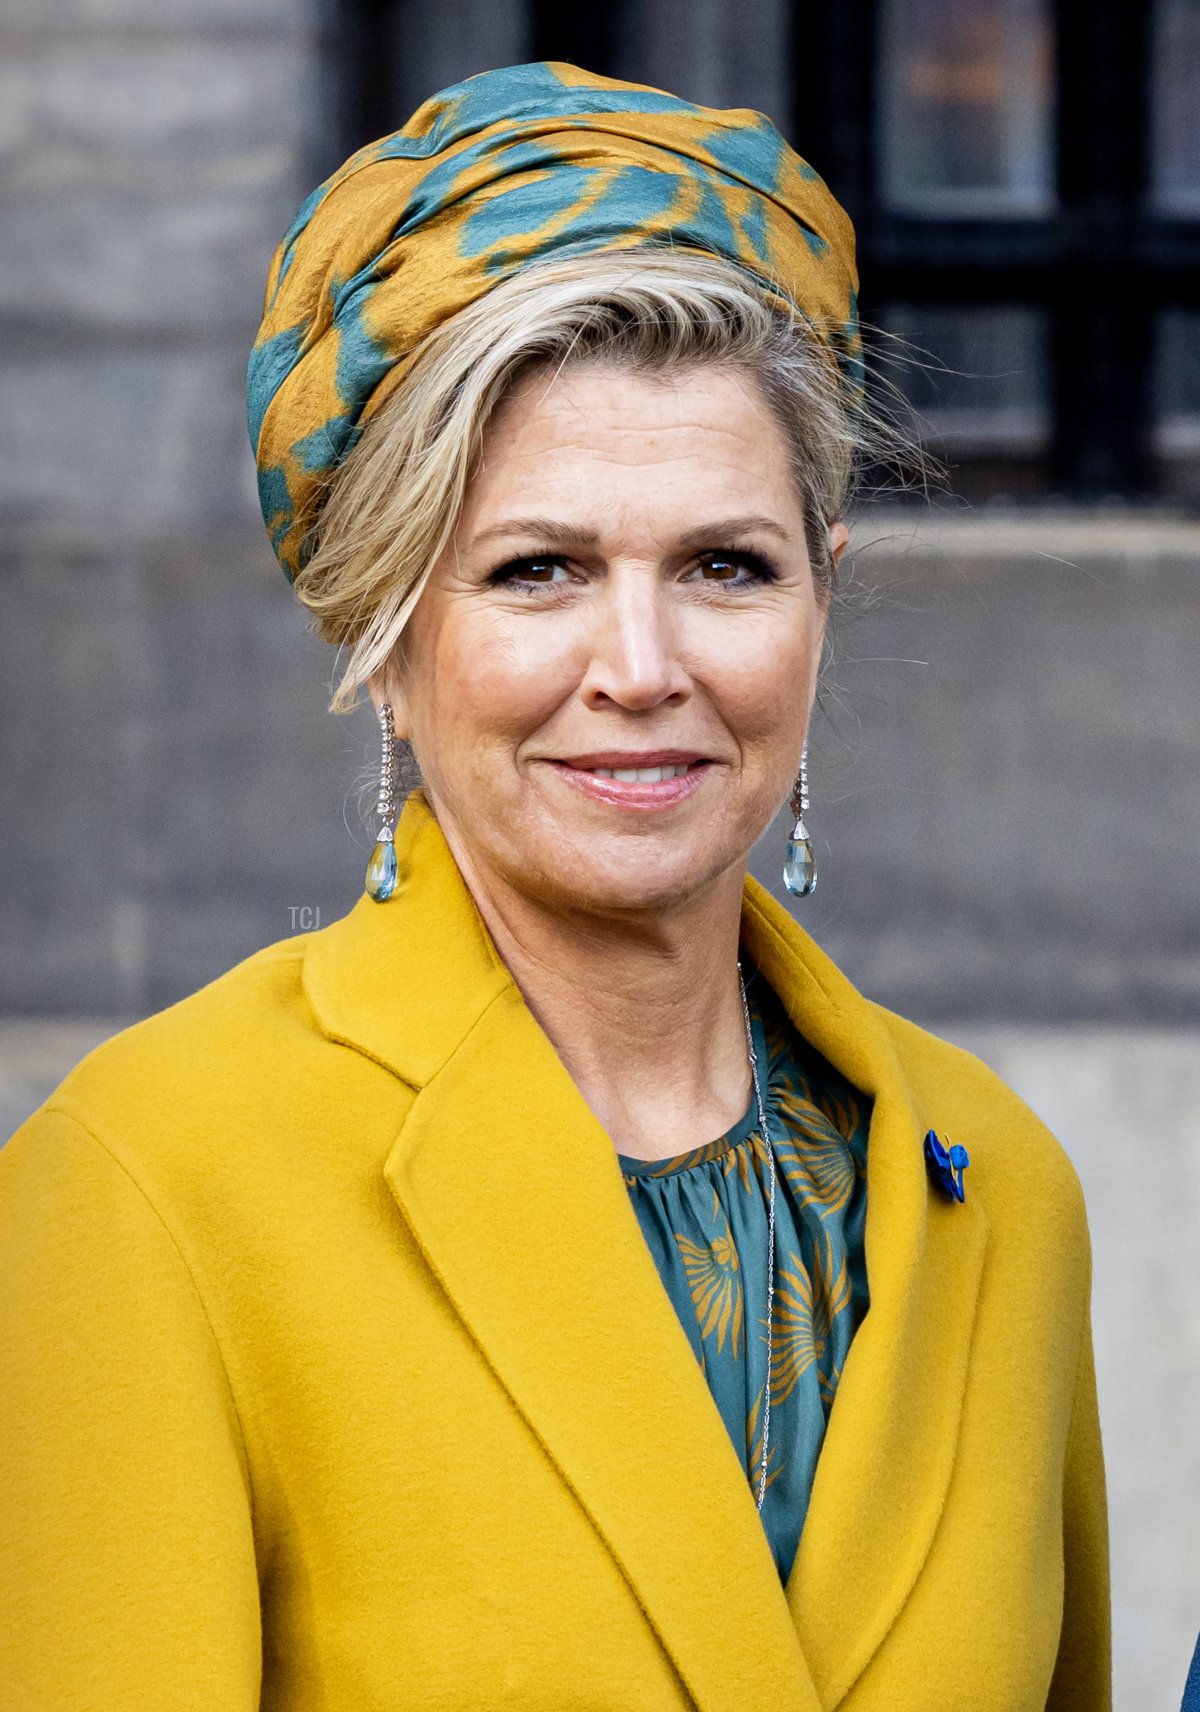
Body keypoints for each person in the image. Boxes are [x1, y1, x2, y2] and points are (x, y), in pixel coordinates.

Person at [0, 62, 1109, 1710]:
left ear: (823, 601)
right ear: (384, 636)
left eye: (727, 567)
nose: (643, 667)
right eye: (540, 573)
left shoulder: (998, 1190)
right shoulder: (153, 1181)